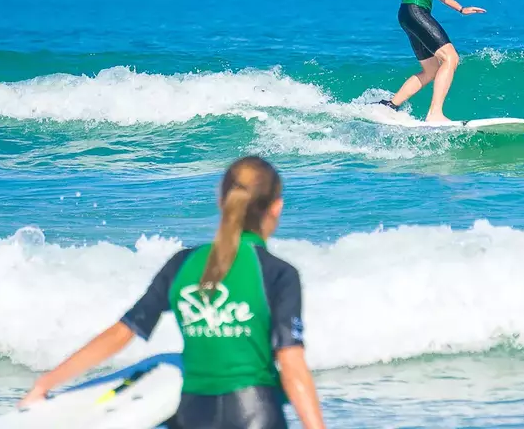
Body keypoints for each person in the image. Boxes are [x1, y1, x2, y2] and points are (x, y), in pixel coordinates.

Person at [19, 156, 326, 429]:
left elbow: (121, 334)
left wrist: (45, 383)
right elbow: (292, 362)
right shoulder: (278, 273)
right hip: (256, 414)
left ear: (221, 201)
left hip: (193, 414)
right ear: (276, 207)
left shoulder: (182, 264)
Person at [378, 0, 493, 123]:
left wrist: (460, 8)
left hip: (406, 13)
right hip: (415, 10)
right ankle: (434, 114)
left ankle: (390, 106)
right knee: (451, 58)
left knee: (430, 70)